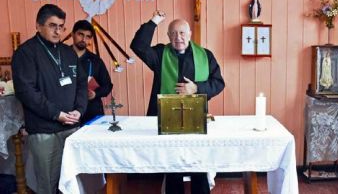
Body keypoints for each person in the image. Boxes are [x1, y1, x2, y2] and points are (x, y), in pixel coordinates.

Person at [130, 10, 225, 194]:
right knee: (172, 167)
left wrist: (197, 88)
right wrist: (154, 21)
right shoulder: (159, 55)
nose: (178, 37)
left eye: (182, 33)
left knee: (198, 165)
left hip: (195, 120)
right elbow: (138, 45)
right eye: (173, 33)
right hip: (167, 119)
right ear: (168, 36)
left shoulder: (205, 55)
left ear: (189, 34)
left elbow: (218, 83)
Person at [11, 4, 88, 194]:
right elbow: (26, 92)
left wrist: (79, 109)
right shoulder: (25, 53)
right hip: (44, 131)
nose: (58, 31)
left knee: (72, 183)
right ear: (38, 25)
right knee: (48, 185)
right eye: (52, 25)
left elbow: (81, 85)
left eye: (61, 26)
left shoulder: (68, 52)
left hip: (71, 127)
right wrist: (56, 114)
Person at [71, 20, 113, 124]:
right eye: (80, 34)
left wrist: (95, 94)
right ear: (73, 34)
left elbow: (108, 86)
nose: (83, 39)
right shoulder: (61, 57)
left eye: (88, 36)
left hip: (92, 112)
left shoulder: (96, 61)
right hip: (68, 113)